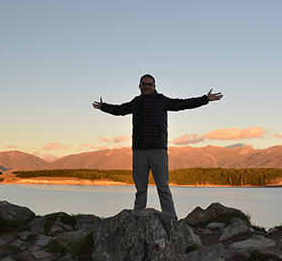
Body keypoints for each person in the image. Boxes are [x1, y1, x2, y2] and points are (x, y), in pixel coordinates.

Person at [92, 74, 223, 220]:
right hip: (139, 150)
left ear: (154, 86)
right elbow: (119, 110)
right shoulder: (135, 103)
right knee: (140, 189)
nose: (147, 86)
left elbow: (183, 104)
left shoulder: (162, 101)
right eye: (144, 84)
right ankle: (137, 217)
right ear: (139, 86)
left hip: (158, 149)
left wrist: (205, 99)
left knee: (163, 187)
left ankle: (171, 218)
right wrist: (103, 106)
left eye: (149, 84)